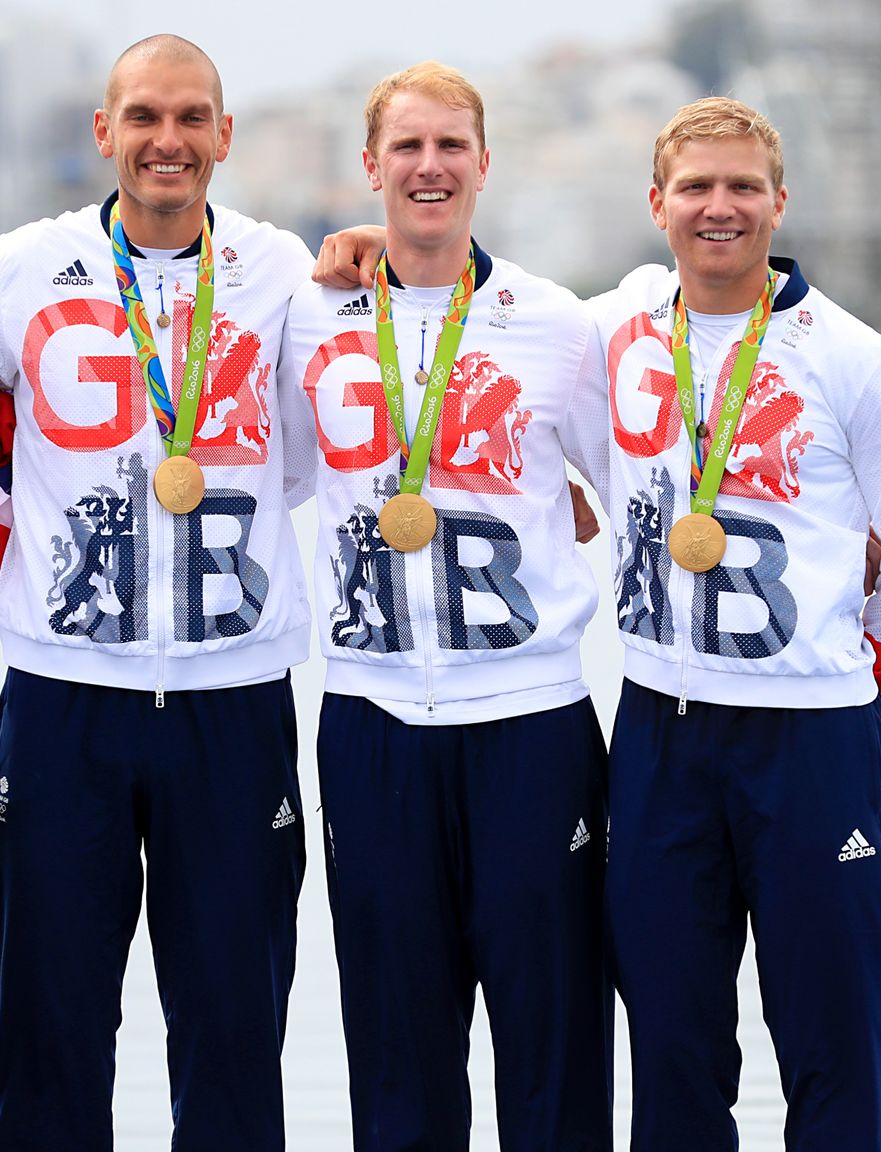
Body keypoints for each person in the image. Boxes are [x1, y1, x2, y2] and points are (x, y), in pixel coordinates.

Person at [586, 97, 881, 1149]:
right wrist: (359, 249)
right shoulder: (614, 327)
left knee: (832, 1052)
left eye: (742, 187)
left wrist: (852, 673)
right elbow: (479, 318)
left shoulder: (855, 359)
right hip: (660, 735)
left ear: (777, 202)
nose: (720, 208)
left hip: (810, 740)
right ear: (656, 205)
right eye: (696, 188)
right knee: (669, 1051)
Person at [0, 34, 315, 1152]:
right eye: (144, 117)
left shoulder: (282, 270)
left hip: (233, 699)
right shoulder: (21, 265)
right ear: (103, 133)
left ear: (223, 136)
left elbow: (309, 457)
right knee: (50, 1033)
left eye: (191, 118)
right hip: (66, 699)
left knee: (231, 1033)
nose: (167, 140)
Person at [278, 62, 614, 1152]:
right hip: (372, 723)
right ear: (369, 167)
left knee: (552, 1051)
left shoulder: (556, 325)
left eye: (449, 146)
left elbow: (636, 491)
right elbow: (263, 477)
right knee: (396, 1056)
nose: (428, 167)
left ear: (482, 163)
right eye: (406, 148)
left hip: (530, 722)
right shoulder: (308, 318)